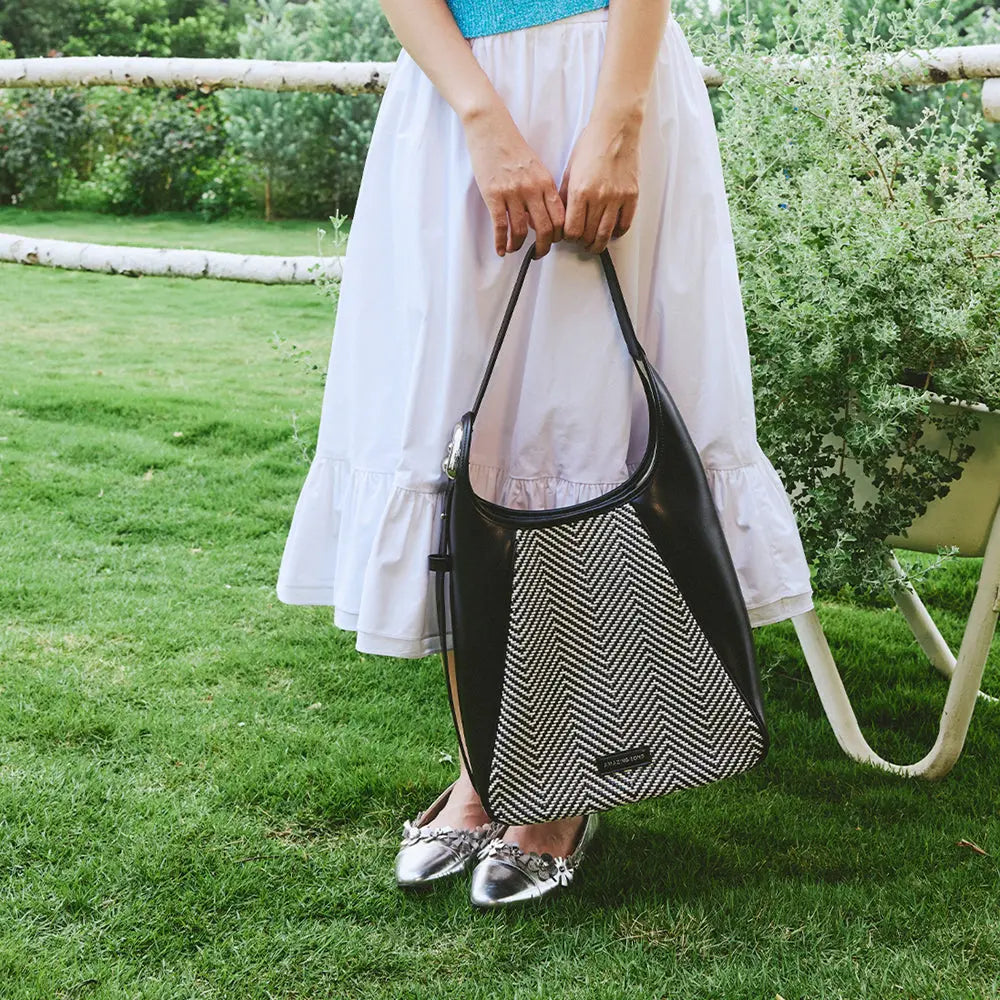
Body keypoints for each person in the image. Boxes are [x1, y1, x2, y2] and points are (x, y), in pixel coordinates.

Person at [276, 0, 815, 908]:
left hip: (601, 77)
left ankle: (562, 790)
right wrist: (483, 121)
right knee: (459, 438)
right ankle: (488, 769)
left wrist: (619, 119)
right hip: (457, 104)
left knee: (585, 427)